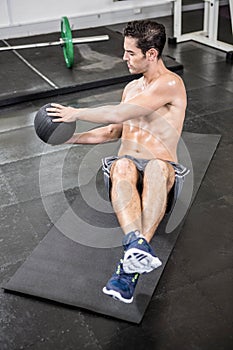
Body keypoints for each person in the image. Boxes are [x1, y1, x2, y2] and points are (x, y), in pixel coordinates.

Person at [47, 20, 189, 303]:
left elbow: (116, 115)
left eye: (130, 53)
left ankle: (131, 257)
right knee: (121, 164)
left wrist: (76, 113)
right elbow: (113, 131)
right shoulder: (131, 89)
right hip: (126, 170)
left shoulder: (171, 84)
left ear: (151, 54)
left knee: (155, 167)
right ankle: (135, 253)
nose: (124, 58)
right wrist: (69, 139)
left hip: (162, 173)